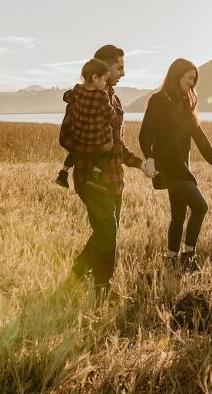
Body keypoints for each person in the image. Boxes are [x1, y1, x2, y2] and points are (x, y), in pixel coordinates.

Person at [59, 45, 156, 300]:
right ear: (102, 67)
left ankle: (75, 278)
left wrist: (139, 164)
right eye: (119, 68)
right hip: (91, 177)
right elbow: (65, 138)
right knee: (107, 233)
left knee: (105, 233)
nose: (123, 73)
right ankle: (103, 290)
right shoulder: (81, 100)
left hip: (114, 179)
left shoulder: (114, 100)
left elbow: (117, 145)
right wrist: (94, 150)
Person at [139, 58, 212, 273]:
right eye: (189, 77)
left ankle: (171, 258)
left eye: (194, 79)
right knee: (201, 207)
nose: (192, 83)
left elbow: (199, 135)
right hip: (167, 167)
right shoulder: (159, 100)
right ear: (177, 75)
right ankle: (188, 257)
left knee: (178, 215)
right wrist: (149, 158)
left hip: (182, 165)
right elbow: (145, 133)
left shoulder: (185, 103)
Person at [56, 58, 114, 192]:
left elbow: (66, 97)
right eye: (105, 79)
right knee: (105, 151)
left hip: (79, 135)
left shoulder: (77, 90)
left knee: (74, 152)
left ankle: (63, 174)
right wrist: (112, 111)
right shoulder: (101, 96)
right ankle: (95, 176)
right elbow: (109, 114)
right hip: (95, 138)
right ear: (95, 77)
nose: (106, 83)